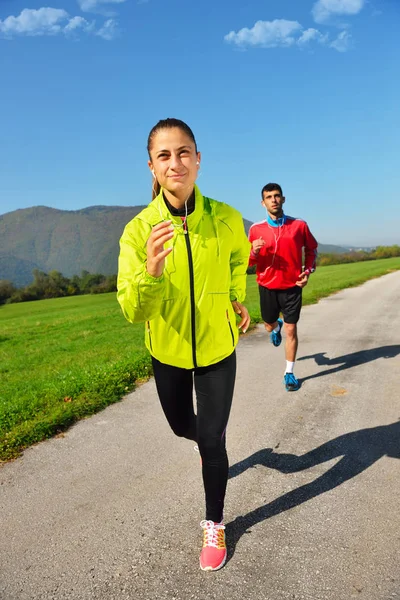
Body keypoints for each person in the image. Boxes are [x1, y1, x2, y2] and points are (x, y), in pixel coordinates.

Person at [117, 118, 251, 571]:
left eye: (184, 152)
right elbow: (133, 311)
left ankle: (215, 521)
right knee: (182, 427)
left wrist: (235, 296)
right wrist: (151, 273)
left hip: (218, 348)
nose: (176, 163)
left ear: (198, 159)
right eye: (164, 155)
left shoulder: (228, 218)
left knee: (212, 439)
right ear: (152, 167)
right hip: (168, 351)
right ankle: (205, 439)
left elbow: (238, 258)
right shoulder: (138, 231)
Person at [248, 183, 318, 391]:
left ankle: (289, 373)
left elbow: (312, 249)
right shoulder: (255, 229)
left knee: (291, 330)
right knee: (269, 324)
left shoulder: (299, 225)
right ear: (263, 203)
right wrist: (254, 252)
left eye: (277, 196)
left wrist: (307, 272)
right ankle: (274, 325)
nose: (274, 200)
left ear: (283, 199)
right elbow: (248, 261)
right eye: (269, 197)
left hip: (292, 287)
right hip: (267, 286)